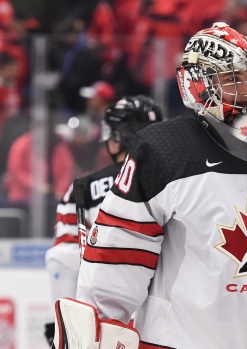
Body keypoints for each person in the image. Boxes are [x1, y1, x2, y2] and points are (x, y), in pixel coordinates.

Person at [53, 22, 247, 349]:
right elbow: (112, 271)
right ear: (197, 85)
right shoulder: (161, 151)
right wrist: (92, 331)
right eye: (232, 80)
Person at [44, 95, 162, 344]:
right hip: (169, 320)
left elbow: (64, 259)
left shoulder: (84, 187)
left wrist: (66, 324)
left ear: (117, 136)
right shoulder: (177, 182)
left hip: (107, 324)